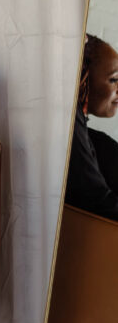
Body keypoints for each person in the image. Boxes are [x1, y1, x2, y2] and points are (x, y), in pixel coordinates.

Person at [65, 33, 118, 219]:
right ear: (85, 77)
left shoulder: (93, 137)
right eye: (113, 80)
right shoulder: (69, 120)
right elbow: (94, 197)